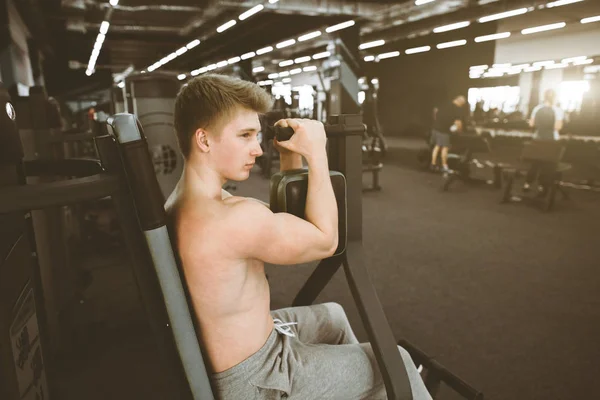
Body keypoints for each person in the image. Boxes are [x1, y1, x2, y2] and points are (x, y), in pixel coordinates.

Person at [165, 74, 431, 400]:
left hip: (248, 346)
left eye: (258, 136)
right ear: (204, 140)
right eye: (245, 136)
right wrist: (317, 154)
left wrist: (291, 157)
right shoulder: (230, 219)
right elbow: (324, 240)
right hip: (259, 377)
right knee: (398, 364)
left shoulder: (189, 202)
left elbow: (282, 224)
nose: (258, 150)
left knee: (332, 316)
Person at [523, 89, 564, 193]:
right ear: (555, 97)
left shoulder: (537, 109)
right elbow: (558, 127)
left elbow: (532, 124)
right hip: (551, 141)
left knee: (535, 162)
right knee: (548, 164)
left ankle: (528, 183)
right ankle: (542, 186)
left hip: (537, 139)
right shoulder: (558, 110)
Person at [430, 95, 466, 173]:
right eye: (462, 104)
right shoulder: (457, 109)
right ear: (460, 101)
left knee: (437, 146)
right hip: (444, 130)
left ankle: (433, 164)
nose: (462, 105)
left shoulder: (445, 104)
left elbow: (435, 110)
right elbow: (458, 123)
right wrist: (460, 132)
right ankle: (444, 166)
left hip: (435, 128)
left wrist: (437, 120)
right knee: (445, 148)